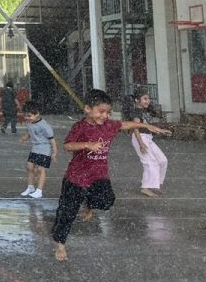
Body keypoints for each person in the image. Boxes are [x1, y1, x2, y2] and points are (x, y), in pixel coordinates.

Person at [51, 89, 170, 262]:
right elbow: (67, 146)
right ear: (87, 109)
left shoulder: (108, 126)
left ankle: (89, 204)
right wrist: (87, 145)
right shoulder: (80, 127)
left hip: (98, 175)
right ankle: (60, 243)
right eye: (101, 111)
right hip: (76, 177)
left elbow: (125, 125)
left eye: (108, 112)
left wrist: (147, 126)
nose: (105, 116)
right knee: (67, 213)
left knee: (107, 200)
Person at [124, 89, 167, 197]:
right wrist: (141, 144)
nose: (147, 101)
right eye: (145, 99)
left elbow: (148, 127)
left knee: (162, 160)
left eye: (148, 99)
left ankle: (154, 185)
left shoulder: (145, 111)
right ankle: (145, 187)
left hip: (148, 138)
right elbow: (136, 129)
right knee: (150, 163)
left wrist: (160, 130)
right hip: (140, 138)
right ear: (137, 100)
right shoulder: (136, 112)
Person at [19, 100, 56, 199]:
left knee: (40, 169)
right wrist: (24, 138)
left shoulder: (44, 125)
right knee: (29, 167)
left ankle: (39, 191)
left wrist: (54, 152)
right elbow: (29, 132)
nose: (27, 118)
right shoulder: (30, 123)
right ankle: (30, 187)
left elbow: (52, 140)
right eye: (26, 116)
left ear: (37, 114)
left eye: (29, 116)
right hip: (35, 148)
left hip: (45, 149)